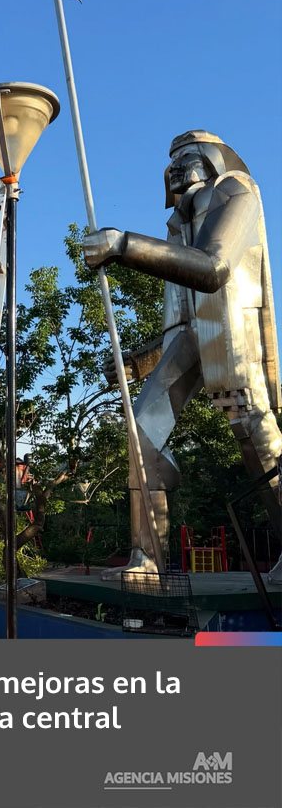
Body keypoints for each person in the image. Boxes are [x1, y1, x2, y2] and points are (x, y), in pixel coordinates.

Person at [82, 130, 282, 582]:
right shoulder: (178, 226)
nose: (176, 166)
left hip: (235, 333)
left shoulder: (236, 191)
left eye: (188, 156)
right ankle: (147, 559)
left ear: (213, 159)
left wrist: (123, 245)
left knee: (256, 438)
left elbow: (213, 270)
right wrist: (138, 364)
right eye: (171, 160)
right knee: (142, 433)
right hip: (193, 337)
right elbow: (183, 320)